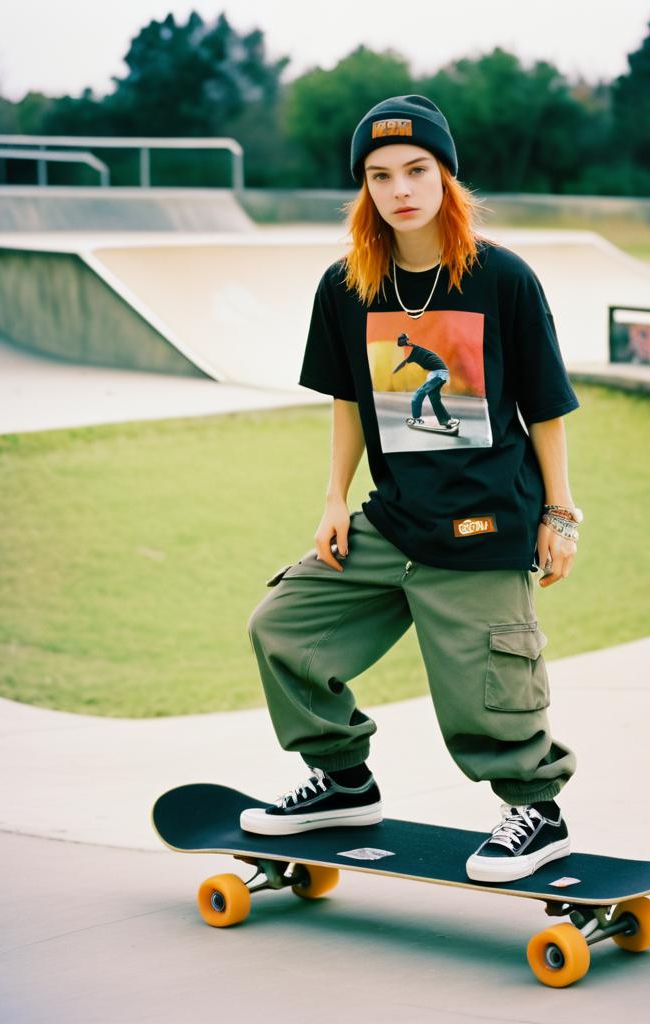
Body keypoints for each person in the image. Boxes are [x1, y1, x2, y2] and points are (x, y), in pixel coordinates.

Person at [242, 94, 583, 883]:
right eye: (380, 174)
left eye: (416, 170)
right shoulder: (347, 286)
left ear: (445, 175)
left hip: (484, 524)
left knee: (489, 696)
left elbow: (548, 407)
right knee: (283, 629)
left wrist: (559, 512)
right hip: (392, 521)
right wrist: (334, 497)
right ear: (365, 187)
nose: (400, 188)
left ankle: (538, 810)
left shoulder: (501, 278)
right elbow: (350, 401)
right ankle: (343, 782)